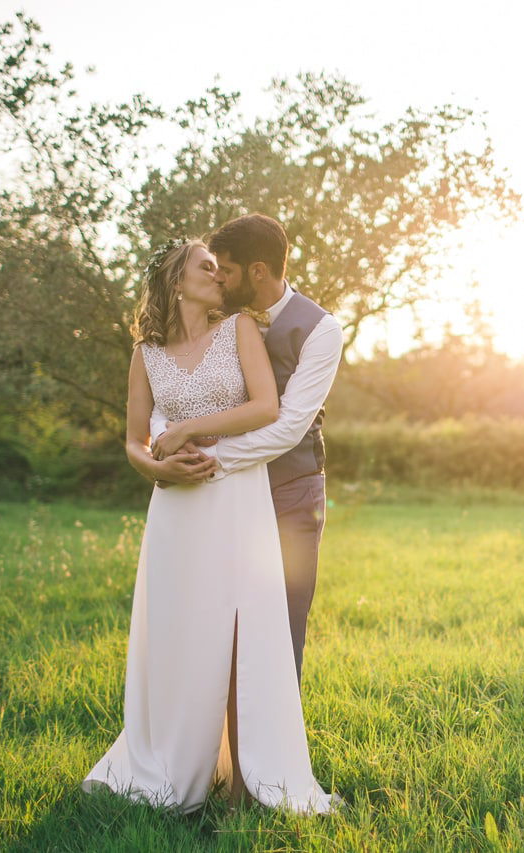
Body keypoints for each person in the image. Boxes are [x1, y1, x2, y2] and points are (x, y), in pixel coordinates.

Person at [83, 237, 333, 814]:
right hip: (175, 504)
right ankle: (173, 766)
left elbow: (267, 407)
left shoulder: (240, 328)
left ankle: (250, 771)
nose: (219, 275)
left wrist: (188, 431)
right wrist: (159, 467)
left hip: (235, 500)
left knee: (236, 627)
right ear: (177, 280)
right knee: (178, 631)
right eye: (207, 267)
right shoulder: (145, 352)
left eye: (221, 268)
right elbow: (134, 439)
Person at [150, 214, 344, 686]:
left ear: (258, 271)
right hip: (226, 495)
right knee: (220, 620)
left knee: (283, 620)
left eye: (227, 270)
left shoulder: (320, 330)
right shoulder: (217, 320)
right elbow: (172, 384)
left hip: (291, 492)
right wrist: (168, 443)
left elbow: (289, 428)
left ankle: (274, 754)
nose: (218, 278)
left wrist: (211, 460)